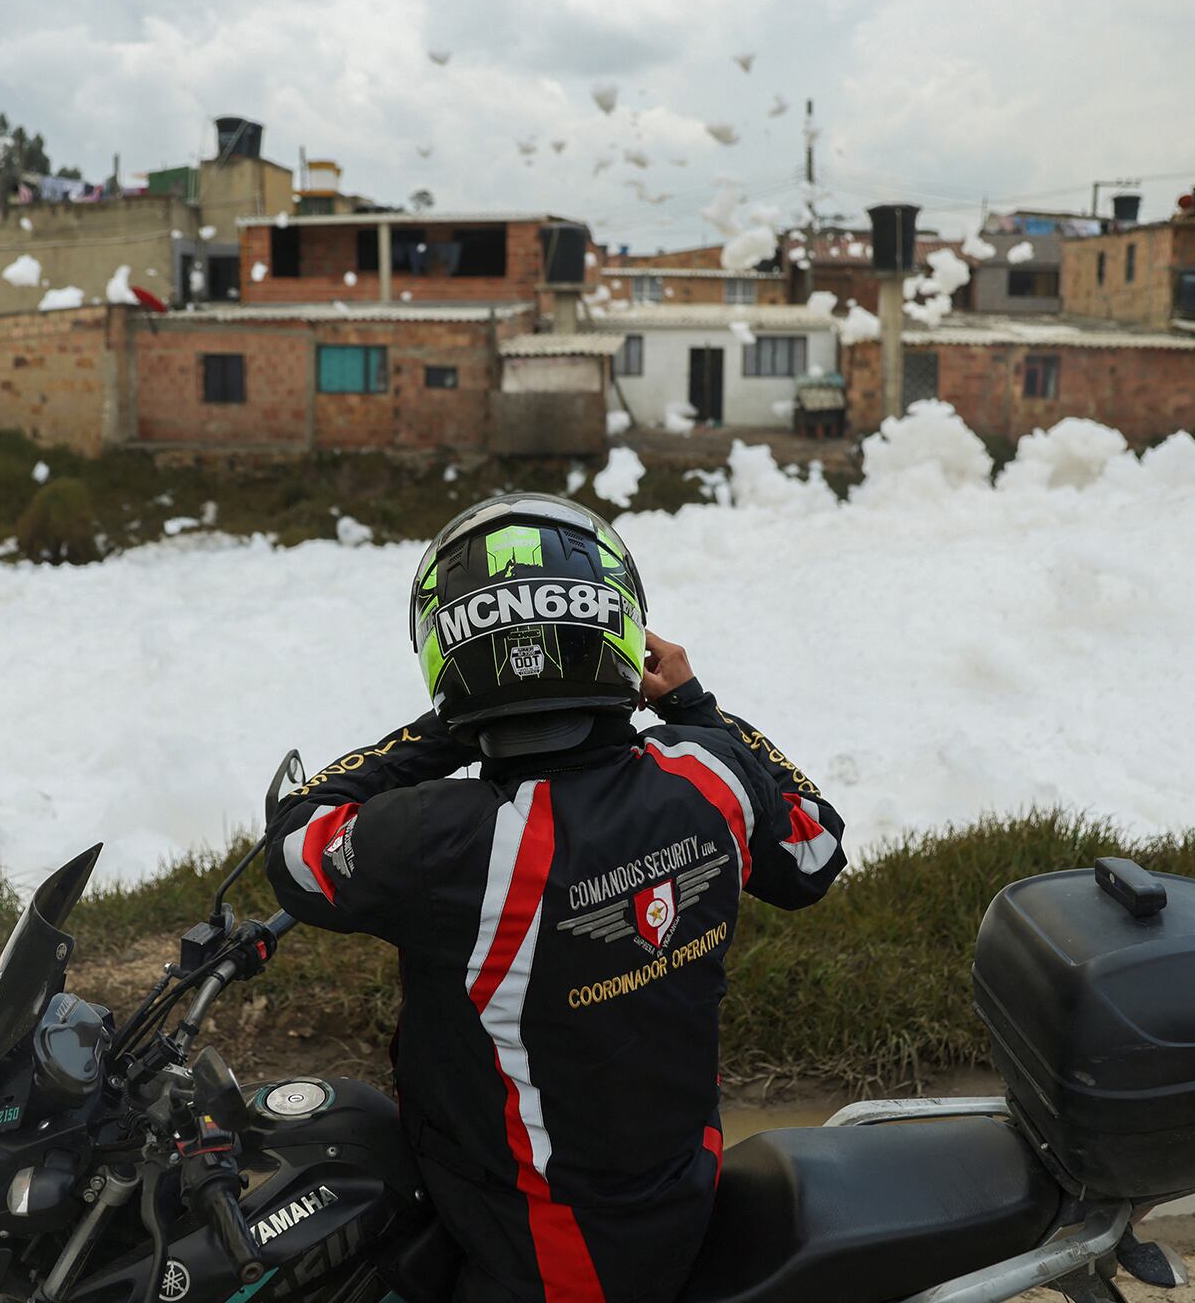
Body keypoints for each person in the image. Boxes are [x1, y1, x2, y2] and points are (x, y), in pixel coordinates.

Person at [265, 493, 845, 1303]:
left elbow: (296, 839)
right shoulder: (708, 772)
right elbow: (815, 850)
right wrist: (692, 703)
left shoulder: (450, 841)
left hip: (540, 1249)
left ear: (446, 651)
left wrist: (452, 724)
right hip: (682, 1182)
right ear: (618, 629)